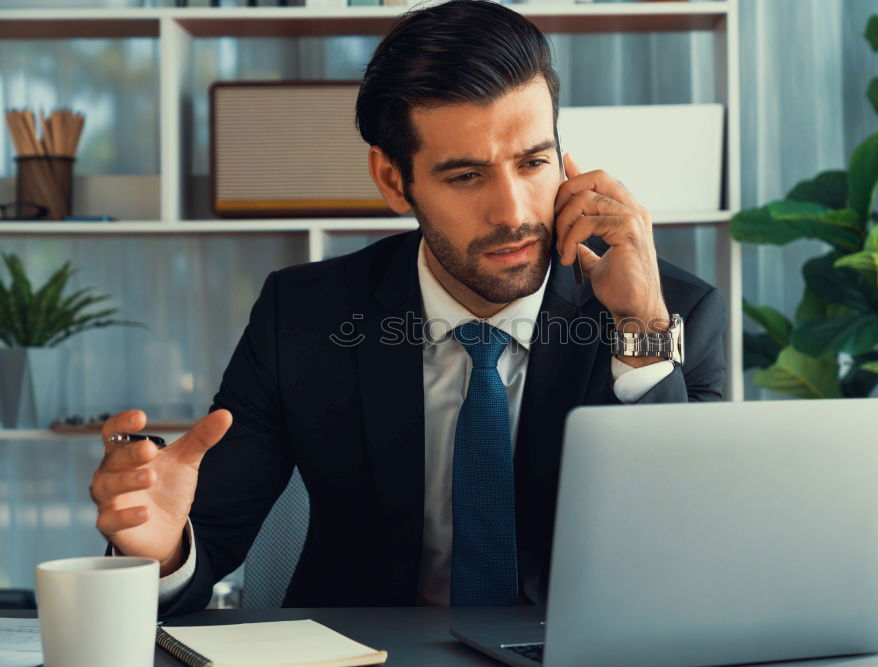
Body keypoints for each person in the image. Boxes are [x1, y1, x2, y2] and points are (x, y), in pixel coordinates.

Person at [89, 0, 726, 615]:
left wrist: (641, 330)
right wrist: (163, 550)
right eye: (466, 176)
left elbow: (693, 550)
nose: (513, 212)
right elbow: (207, 538)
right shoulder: (305, 316)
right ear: (394, 181)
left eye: (533, 163)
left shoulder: (671, 312)